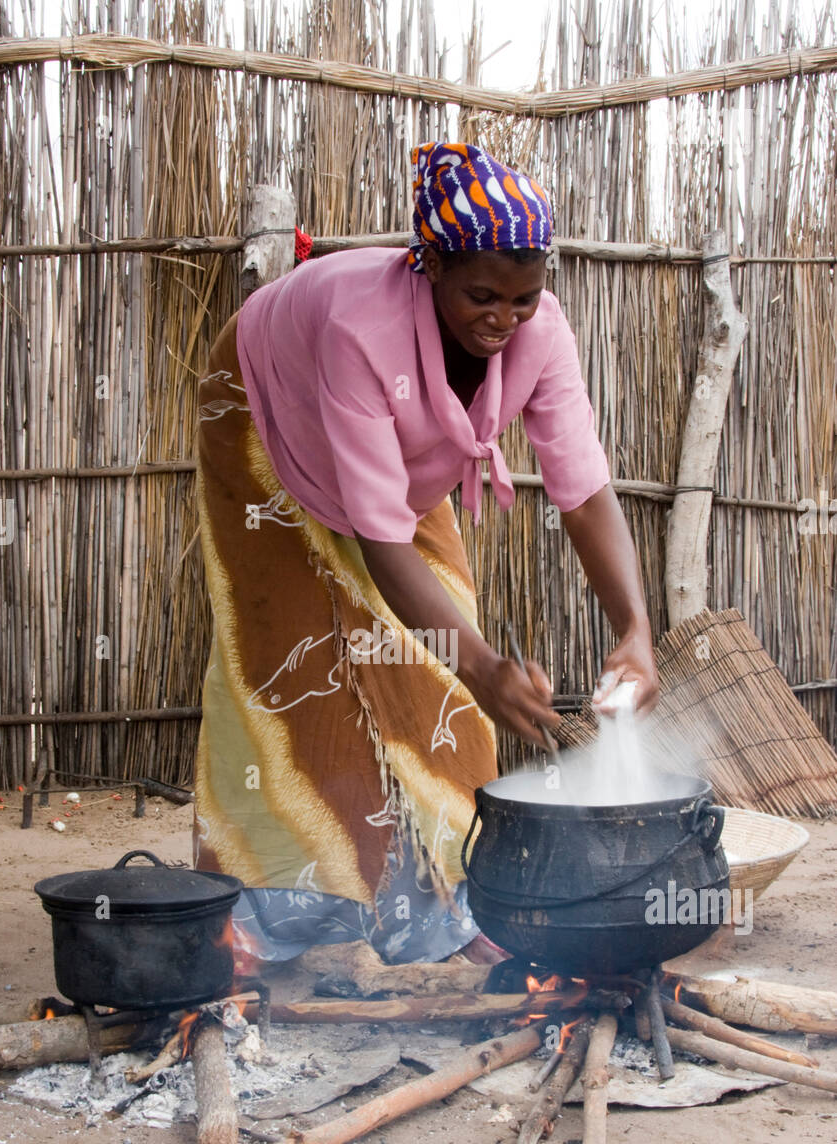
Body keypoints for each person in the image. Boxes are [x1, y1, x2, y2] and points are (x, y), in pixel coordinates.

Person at [192, 141, 658, 972]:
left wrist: (634, 629)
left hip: (394, 460)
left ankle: (451, 902)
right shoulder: (356, 326)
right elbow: (379, 535)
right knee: (285, 658)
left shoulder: (540, 333)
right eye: (482, 294)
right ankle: (266, 919)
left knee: (439, 659)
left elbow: (582, 491)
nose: (502, 320)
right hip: (264, 408)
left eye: (524, 298)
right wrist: (481, 667)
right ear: (429, 265)